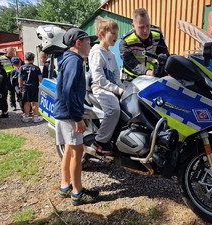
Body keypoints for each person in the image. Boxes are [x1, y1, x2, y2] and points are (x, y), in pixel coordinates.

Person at [53, 27, 99, 206]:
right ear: (78, 43)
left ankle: (65, 186)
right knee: (78, 151)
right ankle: (77, 192)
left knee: (70, 149)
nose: (90, 45)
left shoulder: (67, 59)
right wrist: (77, 118)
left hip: (62, 113)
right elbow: (69, 91)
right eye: (88, 42)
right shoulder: (75, 61)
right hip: (69, 115)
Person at [89, 17, 125, 155]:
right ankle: (100, 141)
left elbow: (116, 77)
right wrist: (118, 90)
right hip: (100, 88)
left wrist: (124, 90)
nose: (116, 36)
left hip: (110, 88)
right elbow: (99, 79)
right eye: (113, 33)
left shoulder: (111, 53)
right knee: (114, 110)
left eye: (116, 33)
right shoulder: (97, 52)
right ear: (102, 34)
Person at [119, 8, 169, 80]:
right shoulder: (126, 41)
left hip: (150, 77)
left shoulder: (157, 35)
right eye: (141, 27)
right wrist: (149, 72)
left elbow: (164, 55)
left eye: (148, 25)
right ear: (133, 26)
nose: (145, 30)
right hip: (131, 79)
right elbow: (131, 63)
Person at [18, 52, 43, 123]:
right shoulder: (37, 68)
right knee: (35, 102)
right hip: (34, 87)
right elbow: (40, 78)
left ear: (25, 58)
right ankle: (36, 117)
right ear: (33, 59)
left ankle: (26, 117)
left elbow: (20, 78)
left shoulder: (21, 68)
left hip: (25, 87)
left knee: (26, 102)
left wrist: (20, 87)